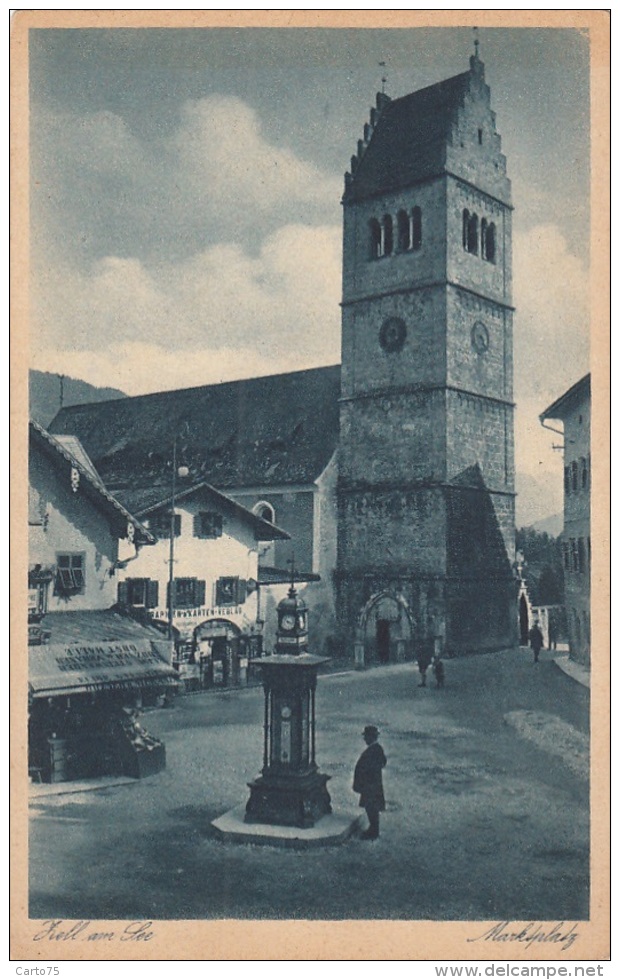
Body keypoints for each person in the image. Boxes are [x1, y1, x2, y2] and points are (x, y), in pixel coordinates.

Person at [353, 725, 387, 840]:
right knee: (372, 807)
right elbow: (383, 762)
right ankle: (373, 829)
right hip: (373, 785)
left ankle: (373, 831)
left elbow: (368, 768)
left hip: (370, 786)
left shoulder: (372, 751)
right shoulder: (377, 749)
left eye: (366, 737)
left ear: (371, 737)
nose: (364, 739)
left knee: (371, 807)